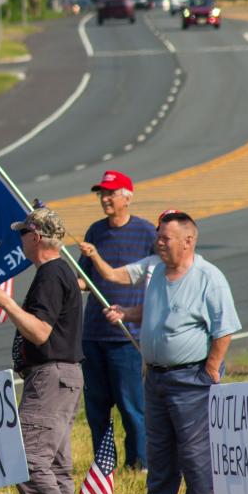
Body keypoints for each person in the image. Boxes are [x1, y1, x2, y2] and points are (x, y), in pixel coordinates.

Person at [105, 211, 241, 494]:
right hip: (155, 376)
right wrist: (127, 313)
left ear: (188, 241)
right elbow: (154, 310)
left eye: (165, 238)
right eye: (159, 237)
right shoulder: (158, 276)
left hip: (190, 376)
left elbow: (225, 327)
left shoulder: (209, 278)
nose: (159, 243)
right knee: (159, 445)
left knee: (193, 447)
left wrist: (210, 368)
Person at [0, 207, 84, 494]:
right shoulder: (58, 272)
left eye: (22, 233)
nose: (20, 240)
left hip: (51, 377)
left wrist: (7, 304)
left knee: (24, 458)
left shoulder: (51, 274)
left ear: (37, 236)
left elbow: (40, 333)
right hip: (62, 376)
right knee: (54, 465)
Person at [78, 171, 156, 470]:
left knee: (131, 404)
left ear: (128, 196)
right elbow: (87, 278)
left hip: (126, 334)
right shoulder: (95, 231)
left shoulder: (147, 232)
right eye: (102, 194)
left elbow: (157, 276)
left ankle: (139, 462)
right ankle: (103, 463)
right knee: (97, 406)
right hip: (93, 333)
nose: (105, 199)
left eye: (111, 193)